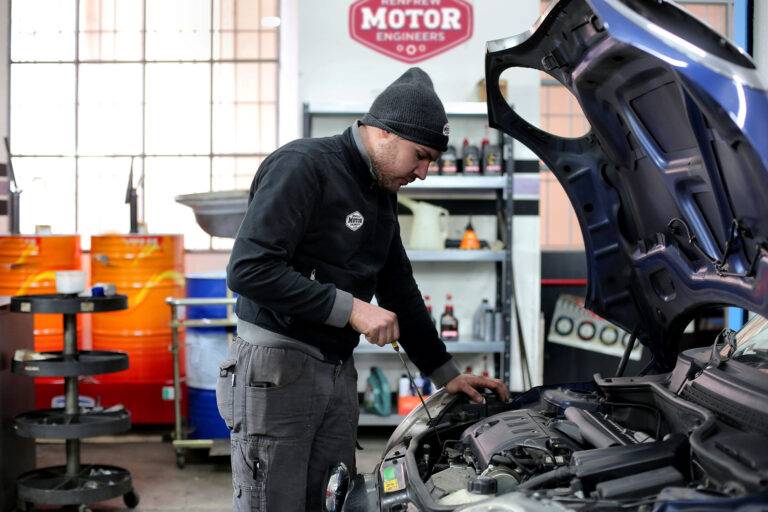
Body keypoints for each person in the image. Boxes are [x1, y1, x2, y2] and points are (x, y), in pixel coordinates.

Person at [222, 67, 509, 511]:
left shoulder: (379, 191)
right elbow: (248, 269)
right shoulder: (303, 165)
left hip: (335, 368)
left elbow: (398, 287)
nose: (425, 172)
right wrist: (351, 309)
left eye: (431, 160)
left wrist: (445, 373)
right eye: (420, 156)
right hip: (276, 371)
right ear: (384, 134)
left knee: (336, 501)